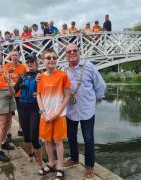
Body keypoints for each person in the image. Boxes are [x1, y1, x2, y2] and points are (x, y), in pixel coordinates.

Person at [63, 43, 106, 179]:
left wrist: (95, 101)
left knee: (88, 138)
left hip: (87, 109)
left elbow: (100, 85)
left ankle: (89, 166)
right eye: (69, 51)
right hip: (70, 110)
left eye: (74, 50)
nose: (72, 53)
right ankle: (74, 158)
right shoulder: (63, 70)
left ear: (79, 52)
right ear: (66, 55)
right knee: (71, 136)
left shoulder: (89, 67)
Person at [37, 48, 71, 180]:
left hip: (59, 115)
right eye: (48, 58)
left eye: (54, 58)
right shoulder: (40, 77)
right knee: (47, 141)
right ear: (43, 61)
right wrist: (43, 112)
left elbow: (67, 96)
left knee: (58, 141)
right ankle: (51, 164)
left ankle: (60, 167)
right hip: (45, 115)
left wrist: (57, 113)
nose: (52, 60)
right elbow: (38, 95)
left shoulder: (62, 75)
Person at [13, 54, 42, 171]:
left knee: (34, 136)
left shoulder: (40, 76)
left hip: (35, 109)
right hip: (22, 109)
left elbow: (46, 91)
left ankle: (40, 162)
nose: (30, 63)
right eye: (28, 62)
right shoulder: (22, 77)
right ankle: (30, 154)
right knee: (26, 136)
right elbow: (13, 91)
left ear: (36, 63)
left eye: (32, 61)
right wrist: (9, 83)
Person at [3, 50, 26, 137]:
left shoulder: (23, 67)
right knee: (10, 114)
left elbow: (24, 80)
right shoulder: (6, 66)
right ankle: (8, 132)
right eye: (13, 55)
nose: (15, 57)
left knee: (21, 112)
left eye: (16, 55)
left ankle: (20, 129)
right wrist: (9, 73)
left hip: (20, 93)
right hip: (10, 93)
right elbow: (5, 78)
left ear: (19, 56)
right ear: (10, 57)